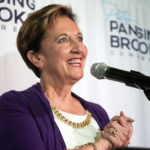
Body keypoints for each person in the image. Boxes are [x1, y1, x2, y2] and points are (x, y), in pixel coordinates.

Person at [0, 4, 133, 150]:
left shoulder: (98, 112)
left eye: (80, 39)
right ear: (36, 58)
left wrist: (119, 140)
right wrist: (103, 143)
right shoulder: (15, 105)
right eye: (63, 39)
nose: (79, 48)